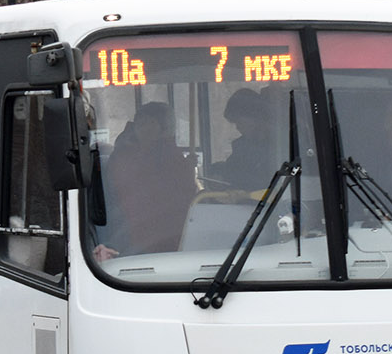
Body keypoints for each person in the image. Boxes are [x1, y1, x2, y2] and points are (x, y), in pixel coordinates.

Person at [95, 102, 197, 259]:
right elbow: (116, 188)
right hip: (127, 231)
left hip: (166, 234)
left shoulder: (172, 158)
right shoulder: (125, 154)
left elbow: (182, 197)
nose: (144, 128)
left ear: (163, 129)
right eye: (140, 123)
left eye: (150, 123)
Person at [210, 88, 277, 190]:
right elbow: (232, 167)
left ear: (254, 116)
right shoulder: (242, 146)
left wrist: (229, 178)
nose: (238, 127)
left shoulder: (282, 146)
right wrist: (217, 173)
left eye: (239, 121)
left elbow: (262, 181)